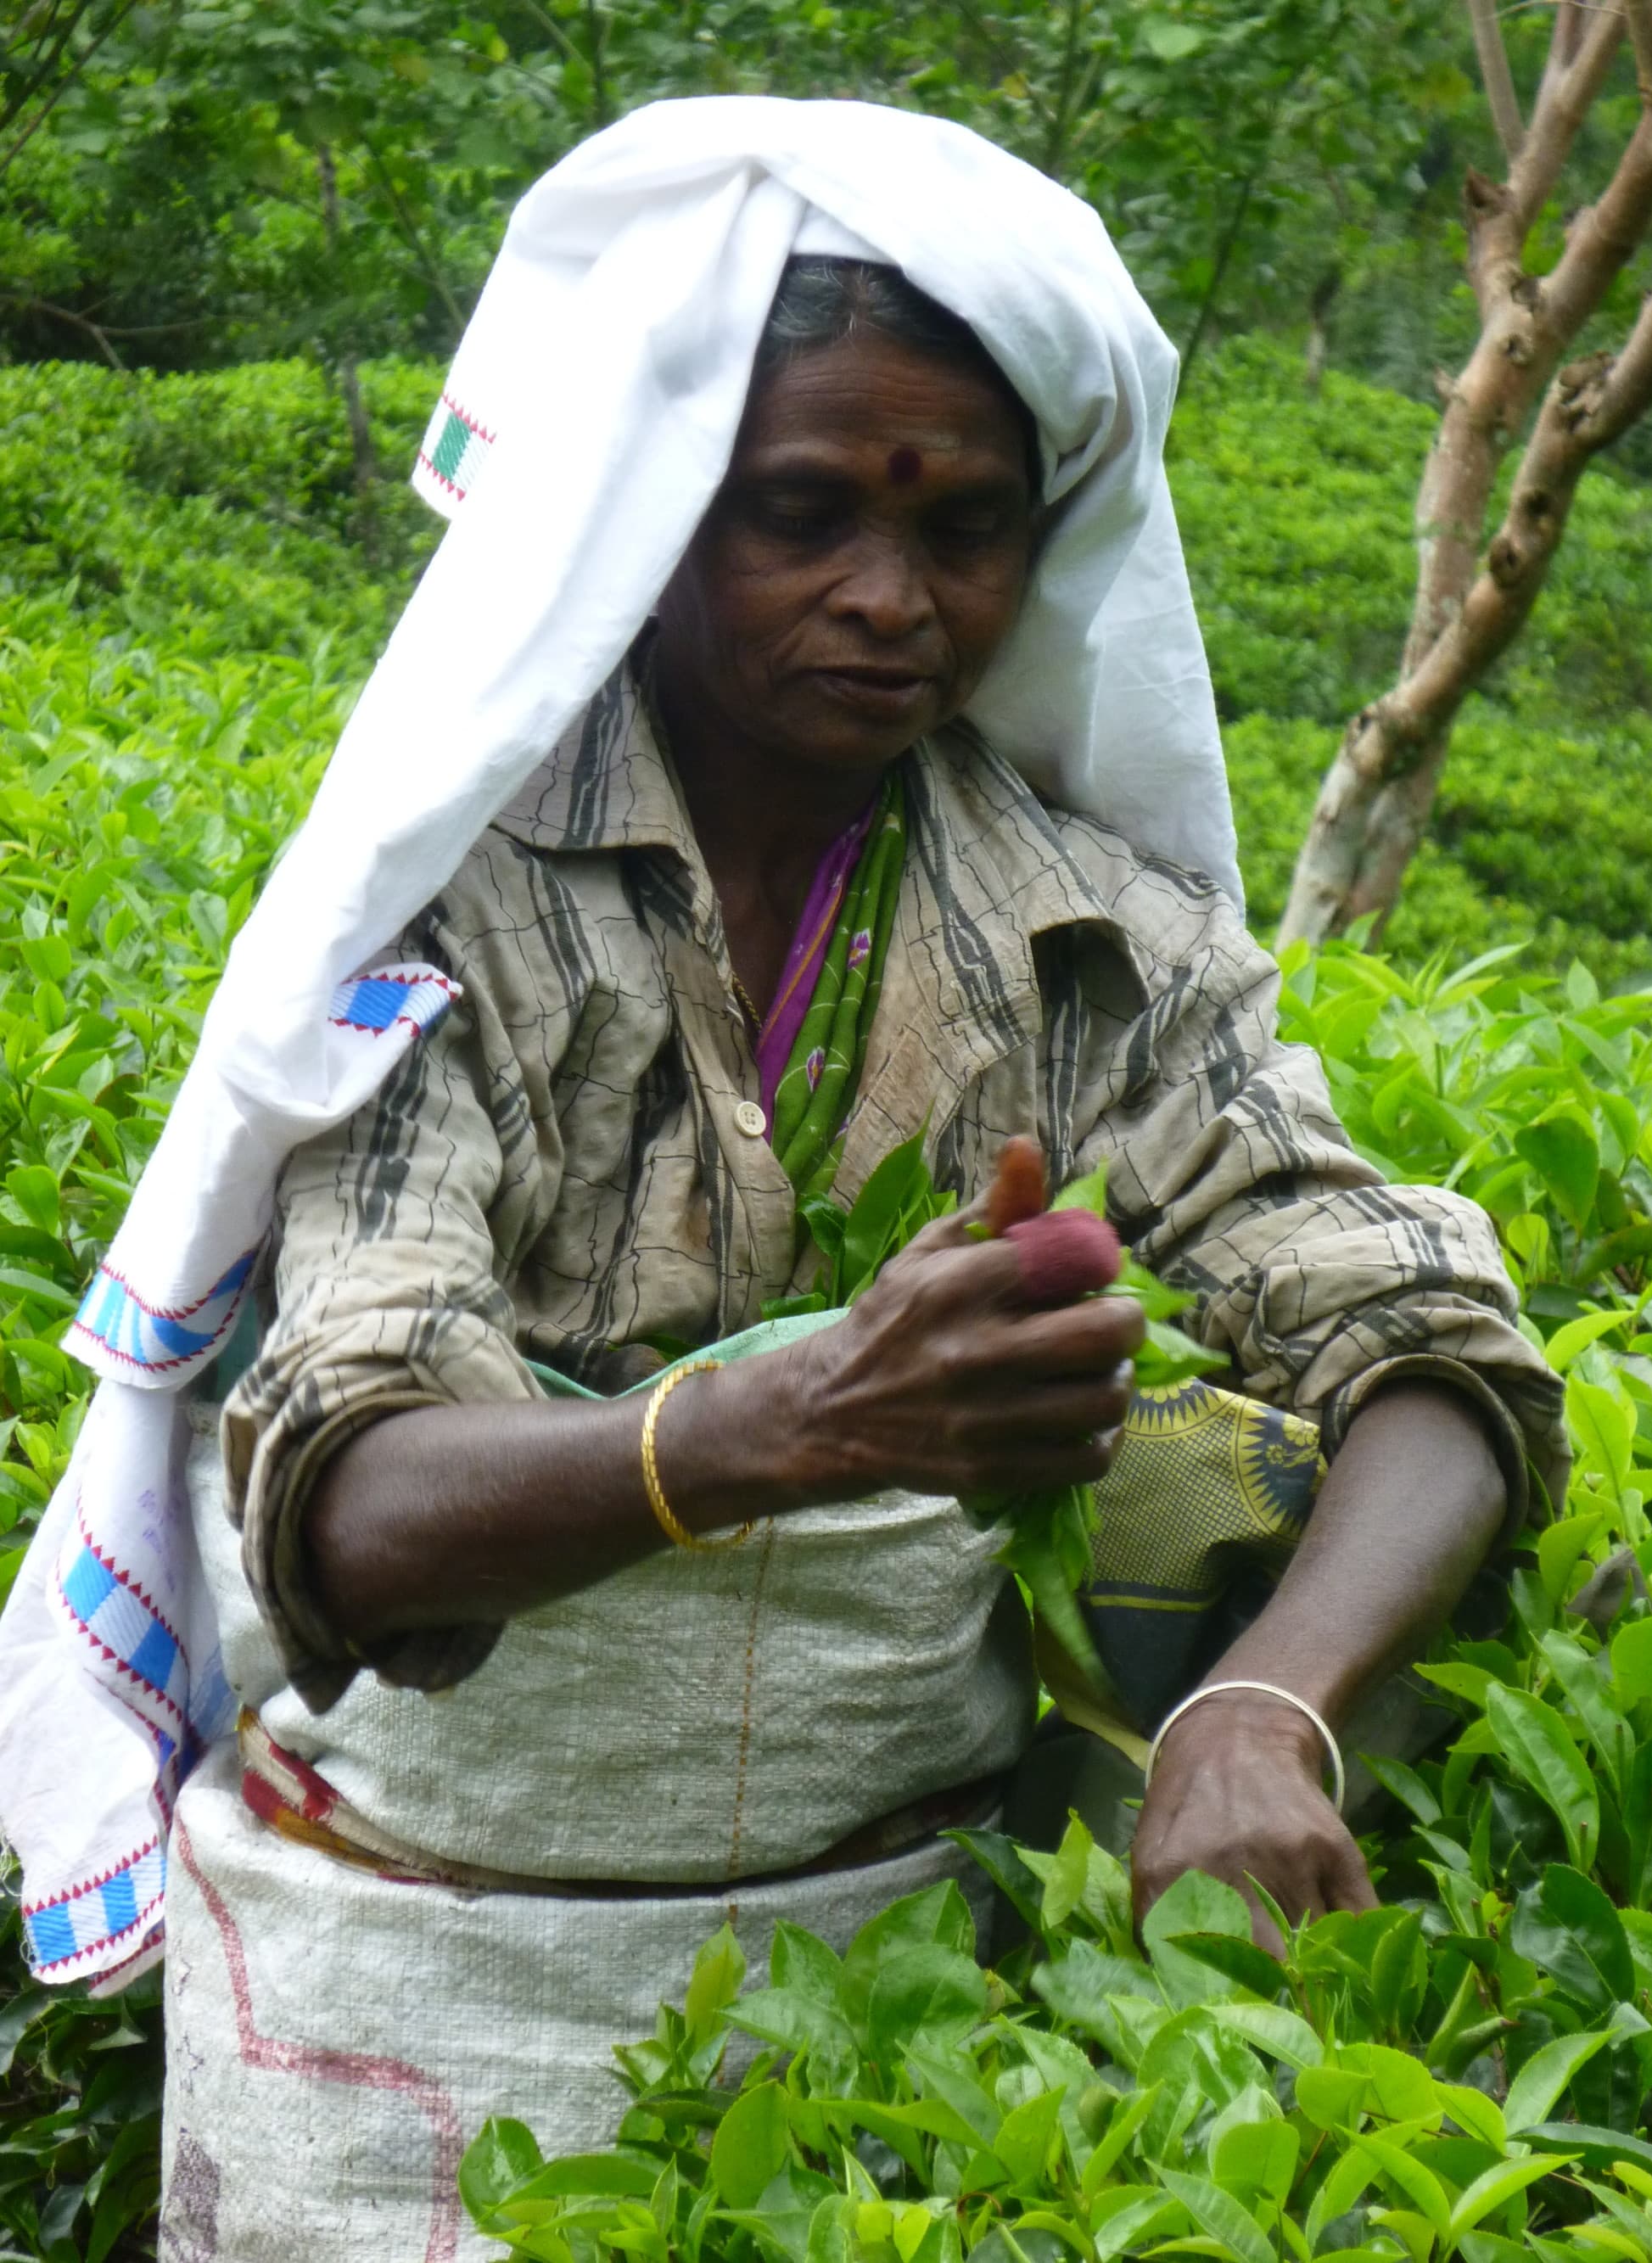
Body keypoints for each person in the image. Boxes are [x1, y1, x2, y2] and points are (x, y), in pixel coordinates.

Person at [0, 98, 1563, 2263]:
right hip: (414, 1986)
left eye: (968, 529)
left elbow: (1427, 1339)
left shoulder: (1073, 931)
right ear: (656, 509)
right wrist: (800, 1418)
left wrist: (1254, 1706)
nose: (890, 600)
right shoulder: (447, 926)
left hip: (874, 1990)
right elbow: (348, 1503)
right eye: (800, 513)